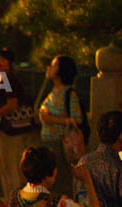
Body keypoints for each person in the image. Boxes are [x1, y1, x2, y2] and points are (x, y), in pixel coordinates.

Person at [0, 49, 38, 203]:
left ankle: (15, 203)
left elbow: (12, 104)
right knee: (2, 168)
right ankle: (8, 202)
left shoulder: (9, 79)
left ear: (10, 63)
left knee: (10, 168)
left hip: (10, 130)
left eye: (3, 59)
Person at [38, 55, 82, 198]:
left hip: (61, 144)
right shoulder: (52, 92)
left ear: (61, 70)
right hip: (48, 143)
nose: (49, 67)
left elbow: (77, 119)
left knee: (61, 183)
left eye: (54, 65)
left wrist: (51, 119)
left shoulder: (69, 93)